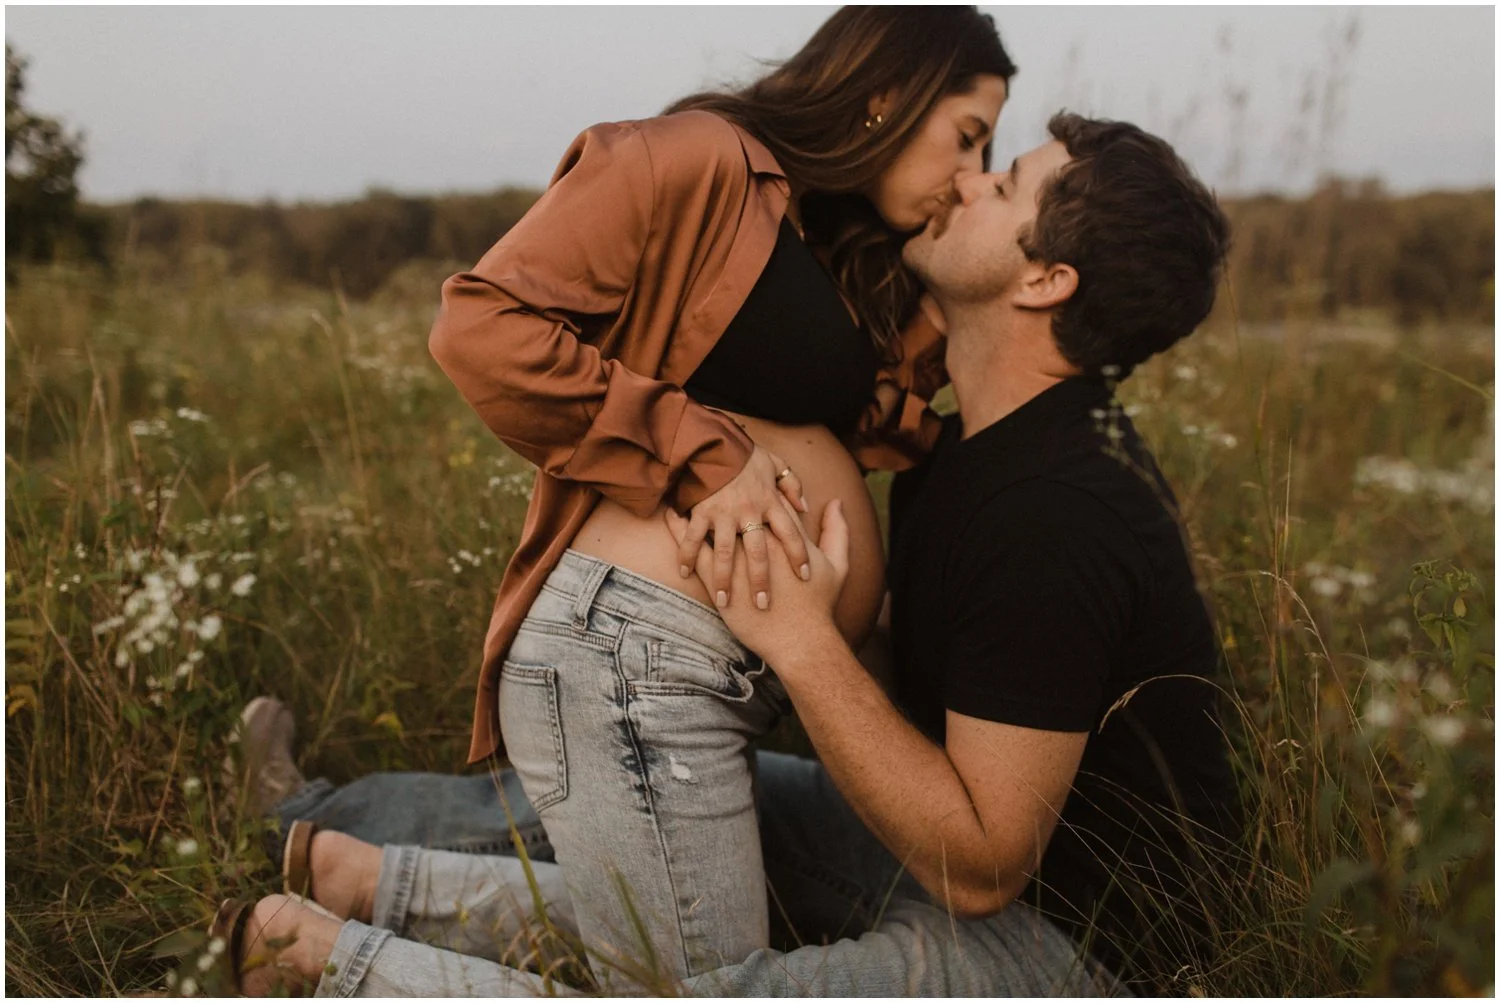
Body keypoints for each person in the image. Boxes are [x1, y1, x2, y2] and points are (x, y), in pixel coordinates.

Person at [212, 111, 1240, 997]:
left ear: (1047, 279)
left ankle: (323, 960)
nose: (970, 179)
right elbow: (953, 704)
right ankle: (356, 872)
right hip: (954, 857)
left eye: (1006, 182)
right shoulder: (970, 447)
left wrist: (799, 642)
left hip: (1073, 952)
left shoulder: (1061, 508)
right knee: (703, 811)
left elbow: (980, 868)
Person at [422, 5, 1014, 979]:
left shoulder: (834, 249)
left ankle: (359, 888)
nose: (974, 167)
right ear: (884, 99)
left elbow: (868, 423)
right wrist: (703, 453)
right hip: (630, 659)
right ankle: (325, 959)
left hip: (714, 674)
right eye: (968, 134)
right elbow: (482, 327)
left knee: (688, 964)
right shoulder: (695, 159)